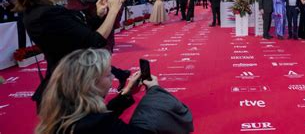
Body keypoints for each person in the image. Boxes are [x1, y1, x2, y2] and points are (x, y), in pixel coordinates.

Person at [14, 0, 125, 109]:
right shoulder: (45, 14)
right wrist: (114, 10)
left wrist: (97, 14)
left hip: (69, 83)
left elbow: (76, 32)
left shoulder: (44, 11)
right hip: (69, 90)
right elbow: (94, 40)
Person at [36, 49, 194, 134]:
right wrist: (154, 91)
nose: (113, 77)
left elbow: (99, 115)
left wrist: (126, 93)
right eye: (107, 74)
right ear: (91, 84)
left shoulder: (63, 112)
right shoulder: (98, 125)